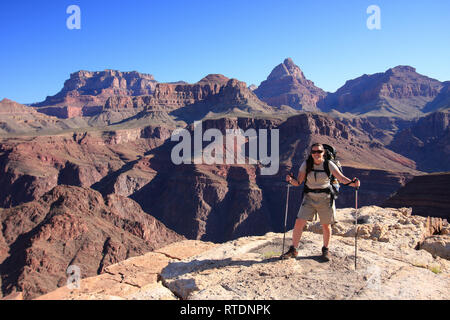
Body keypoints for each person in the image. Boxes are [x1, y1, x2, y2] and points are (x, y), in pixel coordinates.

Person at [281, 143, 360, 262]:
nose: (316, 154)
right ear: (311, 153)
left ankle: (325, 250)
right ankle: (294, 249)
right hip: (309, 198)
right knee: (299, 222)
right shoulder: (306, 164)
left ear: (323, 153)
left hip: (325, 198)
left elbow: (341, 178)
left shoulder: (329, 164)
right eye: (314, 152)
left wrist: (353, 183)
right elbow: (298, 182)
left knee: (326, 225)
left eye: (319, 151)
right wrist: (290, 180)